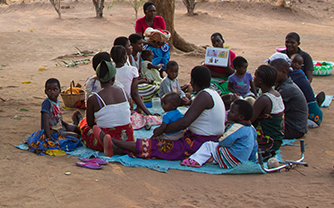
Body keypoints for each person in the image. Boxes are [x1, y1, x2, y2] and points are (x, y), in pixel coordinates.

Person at [93, 66, 225, 161]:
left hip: (201, 142)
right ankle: (117, 149)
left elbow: (185, 122)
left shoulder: (204, 96)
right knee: (161, 142)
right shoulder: (212, 93)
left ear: (193, 82)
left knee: (159, 145)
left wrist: (163, 130)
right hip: (202, 138)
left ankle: (115, 142)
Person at [180, 99, 257, 169]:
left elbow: (224, 141)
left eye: (232, 112)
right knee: (216, 150)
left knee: (209, 145)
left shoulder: (236, 127)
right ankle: (211, 159)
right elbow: (254, 145)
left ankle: (194, 160)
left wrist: (220, 140)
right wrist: (253, 160)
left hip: (233, 158)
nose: (229, 113)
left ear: (241, 117)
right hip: (242, 160)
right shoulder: (252, 128)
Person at [79, 61, 135, 152]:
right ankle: (118, 147)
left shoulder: (93, 99)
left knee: (84, 125)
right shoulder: (123, 92)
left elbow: (90, 123)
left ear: (98, 79)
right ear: (113, 78)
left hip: (103, 139)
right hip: (127, 138)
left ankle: (110, 144)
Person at [24, 78, 81, 154]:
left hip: (60, 126)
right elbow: (45, 122)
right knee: (76, 136)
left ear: (59, 91)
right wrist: (49, 138)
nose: (52, 92)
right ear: (45, 91)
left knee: (77, 129)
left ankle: (75, 123)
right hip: (53, 132)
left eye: (55, 90)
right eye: (49, 90)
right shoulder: (47, 103)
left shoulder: (56, 102)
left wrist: (66, 124)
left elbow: (57, 118)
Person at [269, 57, 308, 140]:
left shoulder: (288, 89)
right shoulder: (281, 85)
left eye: (274, 72)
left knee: (264, 127)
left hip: (295, 128)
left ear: (284, 72)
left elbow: (270, 106)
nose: (271, 75)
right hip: (292, 124)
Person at [250, 64, 284, 160]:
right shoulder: (276, 94)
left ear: (260, 81)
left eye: (255, 76)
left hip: (267, 144)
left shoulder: (264, 99)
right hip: (276, 141)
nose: (253, 78)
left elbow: (249, 120)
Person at [111, 45, 150, 115]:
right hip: (126, 104)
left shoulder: (110, 72)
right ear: (125, 58)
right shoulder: (132, 70)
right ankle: (136, 110)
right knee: (141, 97)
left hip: (113, 104)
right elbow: (134, 94)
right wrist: (148, 113)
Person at [290, 54, 323, 126]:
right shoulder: (299, 73)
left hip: (310, 118)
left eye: (299, 64)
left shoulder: (295, 75)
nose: (295, 65)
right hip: (315, 115)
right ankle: (316, 103)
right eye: (294, 62)